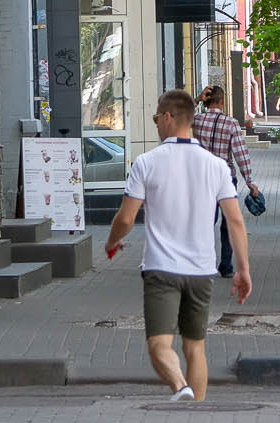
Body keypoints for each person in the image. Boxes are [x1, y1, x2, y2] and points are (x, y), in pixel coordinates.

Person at [106, 90, 252, 402]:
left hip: (161, 269)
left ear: (170, 117)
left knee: (160, 345)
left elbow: (126, 218)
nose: (155, 122)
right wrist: (243, 270)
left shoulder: (146, 163)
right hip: (202, 270)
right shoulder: (216, 166)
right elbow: (235, 221)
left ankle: (180, 387)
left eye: (157, 117)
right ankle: (195, 412)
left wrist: (112, 240)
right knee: (195, 347)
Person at [191, 86, 261, 278]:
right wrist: (249, 181)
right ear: (222, 101)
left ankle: (201, 262)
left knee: (205, 221)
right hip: (224, 178)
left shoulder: (196, 120)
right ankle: (226, 266)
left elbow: (175, 115)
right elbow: (240, 153)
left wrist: (195, 100)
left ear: (206, 101)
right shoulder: (231, 124)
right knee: (228, 221)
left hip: (203, 177)